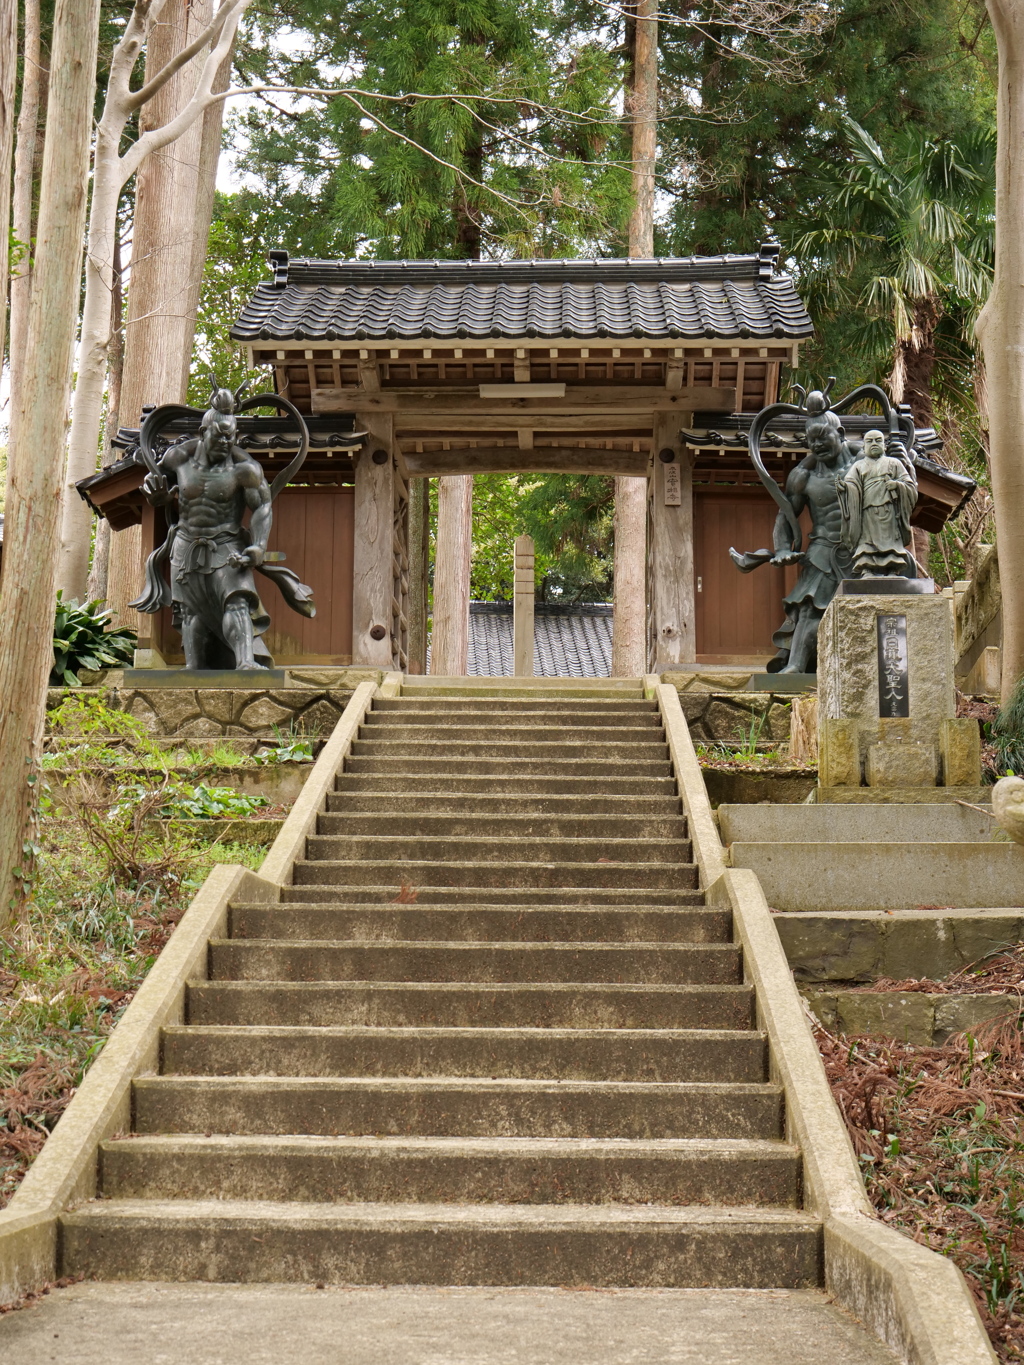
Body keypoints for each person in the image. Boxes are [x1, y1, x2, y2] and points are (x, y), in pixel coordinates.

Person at [133, 395, 314, 669]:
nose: (225, 444)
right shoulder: (179, 457)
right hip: (185, 542)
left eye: (230, 438)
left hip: (226, 543)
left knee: (237, 601)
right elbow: (155, 482)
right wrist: (155, 496)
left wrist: (258, 546)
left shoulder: (246, 469)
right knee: (191, 610)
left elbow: (263, 506)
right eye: (218, 437)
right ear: (203, 432)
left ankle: (245, 662)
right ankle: (194, 666)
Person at [730, 410, 856, 673]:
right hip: (822, 548)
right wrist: (783, 548)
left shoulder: (863, 461)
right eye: (811, 440)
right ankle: (796, 664)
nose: (817, 445)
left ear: (840, 434)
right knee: (810, 607)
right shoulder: (803, 476)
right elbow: (786, 515)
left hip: (861, 546)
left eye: (823, 437)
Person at [837, 428, 918, 577]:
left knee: (891, 542)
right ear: (864, 447)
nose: (874, 443)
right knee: (867, 543)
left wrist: (898, 485)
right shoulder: (858, 466)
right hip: (867, 512)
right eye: (869, 441)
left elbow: (910, 485)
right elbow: (851, 485)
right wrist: (845, 489)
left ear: (885, 445)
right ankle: (868, 569)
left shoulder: (894, 463)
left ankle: (893, 569)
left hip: (889, 511)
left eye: (878, 440)